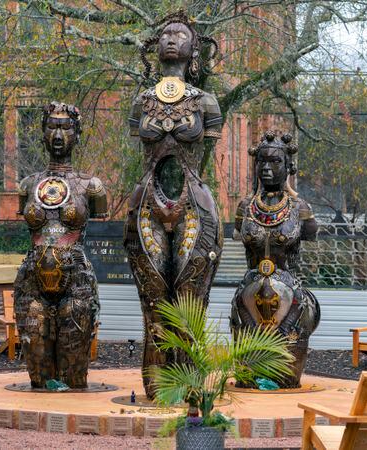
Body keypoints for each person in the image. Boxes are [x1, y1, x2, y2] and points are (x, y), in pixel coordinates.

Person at [123, 12, 223, 398]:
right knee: (152, 296)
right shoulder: (142, 101)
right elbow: (142, 138)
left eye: (180, 35)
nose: (171, 39)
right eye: (165, 34)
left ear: (193, 49)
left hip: (193, 202)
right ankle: (156, 384)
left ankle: (189, 385)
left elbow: (207, 143)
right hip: (147, 199)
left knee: (189, 295)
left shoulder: (206, 101)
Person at [14, 102, 108, 388]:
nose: (58, 135)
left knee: (73, 366)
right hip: (33, 276)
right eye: (52, 127)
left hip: (76, 277)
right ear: (42, 133)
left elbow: (99, 224)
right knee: (36, 360)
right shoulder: (28, 185)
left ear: (77, 135)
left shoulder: (91, 186)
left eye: (66, 128)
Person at [230, 131, 320, 388]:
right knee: (246, 375)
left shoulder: (300, 208)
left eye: (275, 162)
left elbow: (311, 237)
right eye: (262, 162)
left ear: (288, 166)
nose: (267, 168)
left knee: (288, 377)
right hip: (249, 292)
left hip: (290, 293)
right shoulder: (245, 207)